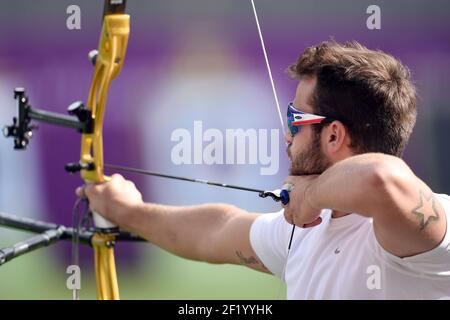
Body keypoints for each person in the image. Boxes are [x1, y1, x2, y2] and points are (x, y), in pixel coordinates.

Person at [77, 41, 450, 299]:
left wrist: (312, 193)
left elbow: (381, 177)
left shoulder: (415, 234)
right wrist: (127, 210)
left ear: (334, 134)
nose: (286, 133)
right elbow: (214, 231)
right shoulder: (306, 233)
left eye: (295, 118)